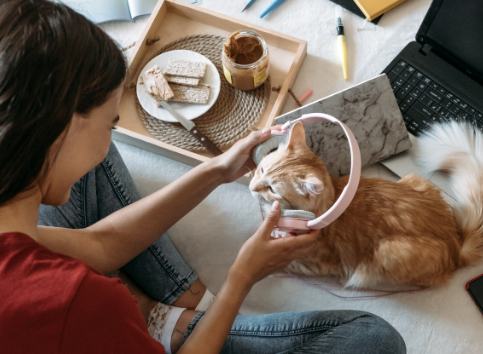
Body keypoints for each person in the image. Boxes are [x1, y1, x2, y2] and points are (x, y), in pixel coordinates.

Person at [0, 0, 407, 353]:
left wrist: (214, 170)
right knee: (374, 338)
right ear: (60, 128)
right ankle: (181, 321)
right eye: (111, 124)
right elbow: (95, 261)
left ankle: (176, 311)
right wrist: (241, 277)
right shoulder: (81, 301)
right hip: (98, 319)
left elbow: (99, 246)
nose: (112, 138)